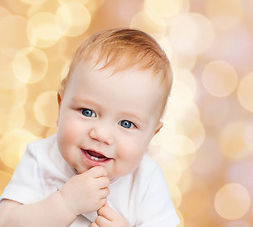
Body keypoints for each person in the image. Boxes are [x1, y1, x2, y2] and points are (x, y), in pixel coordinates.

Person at [0, 28, 180, 227]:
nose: (101, 135)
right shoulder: (41, 159)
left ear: (150, 136)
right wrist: (65, 204)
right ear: (60, 108)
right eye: (87, 112)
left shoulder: (147, 181)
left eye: (126, 124)